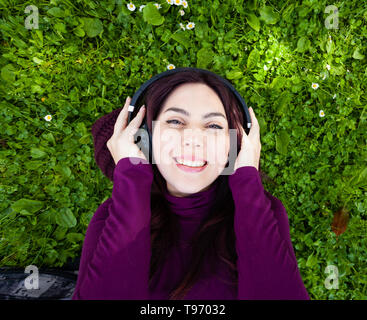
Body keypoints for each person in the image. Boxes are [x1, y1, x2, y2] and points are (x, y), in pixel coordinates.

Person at [72, 69, 310, 300]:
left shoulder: (265, 211)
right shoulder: (110, 217)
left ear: (234, 144)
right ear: (145, 139)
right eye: (175, 121)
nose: (193, 139)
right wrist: (131, 177)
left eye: (214, 126)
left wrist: (248, 179)